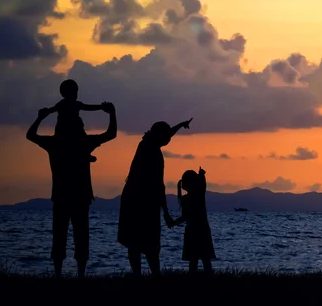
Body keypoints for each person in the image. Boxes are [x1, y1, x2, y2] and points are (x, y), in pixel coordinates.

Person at [26, 102, 117, 278]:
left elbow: (30, 135)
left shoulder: (54, 143)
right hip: (80, 196)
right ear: (79, 127)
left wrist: (40, 117)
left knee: (59, 235)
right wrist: (112, 113)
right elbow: (111, 134)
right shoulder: (84, 142)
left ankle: (58, 274)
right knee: (81, 236)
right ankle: (80, 275)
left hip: (61, 196)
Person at [117, 118, 193, 277]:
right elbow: (159, 185)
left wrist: (180, 125)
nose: (168, 141)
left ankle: (141, 275)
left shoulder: (146, 143)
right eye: (166, 138)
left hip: (133, 198)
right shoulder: (152, 151)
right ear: (160, 137)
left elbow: (167, 134)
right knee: (147, 241)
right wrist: (165, 212)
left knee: (134, 241)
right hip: (142, 200)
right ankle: (155, 275)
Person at [46, 79, 105, 162]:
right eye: (74, 92)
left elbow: (88, 107)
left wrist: (100, 107)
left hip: (69, 129)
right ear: (66, 93)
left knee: (80, 130)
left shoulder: (75, 104)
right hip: (64, 129)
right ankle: (84, 153)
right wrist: (46, 111)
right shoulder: (62, 104)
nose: (75, 94)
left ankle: (84, 152)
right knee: (78, 128)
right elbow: (52, 109)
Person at [172, 168, 215, 274]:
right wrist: (201, 176)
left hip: (192, 231)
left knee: (194, 260)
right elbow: (202, 186)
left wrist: (173, 223)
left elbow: (184, 217)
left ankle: (192, 282)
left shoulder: (189, 198)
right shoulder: (198, 196)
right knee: (204, 260)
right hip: (202, 230)